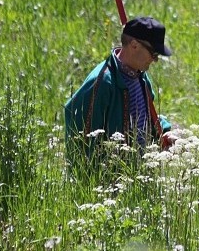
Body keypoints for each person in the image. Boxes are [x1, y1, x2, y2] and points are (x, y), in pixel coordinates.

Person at [65, 16, 173, 162]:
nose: (155, 60)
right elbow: (79, 131)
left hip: (138, 174)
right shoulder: (102, 82)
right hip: (110, 178)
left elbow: (146, 117)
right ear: (134, 45)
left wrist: (164, 131)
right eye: (153, 54)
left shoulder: (141, 77)